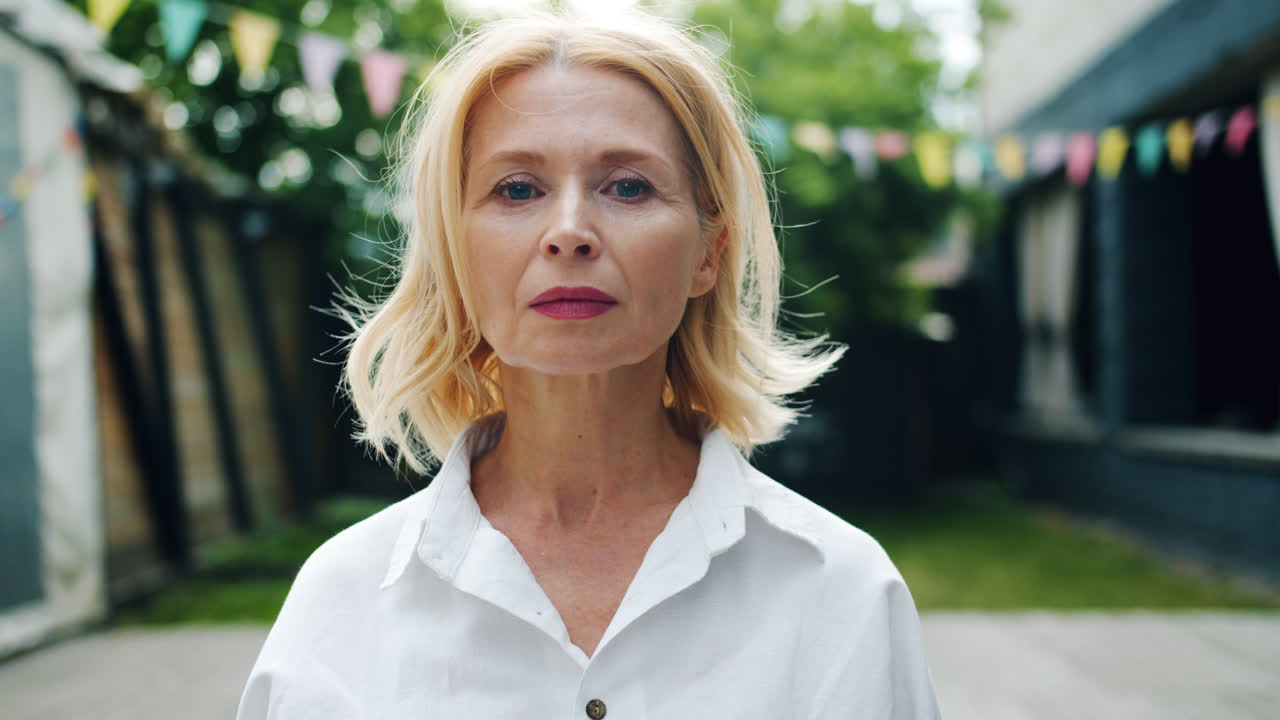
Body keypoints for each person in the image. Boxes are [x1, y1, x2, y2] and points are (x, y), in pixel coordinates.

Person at [237, 7, 941, 719]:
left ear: (708, 251)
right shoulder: (342, 604)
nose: (569, 232)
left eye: (627, 186)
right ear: (456, 249)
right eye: (517, 189)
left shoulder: (840, 595)